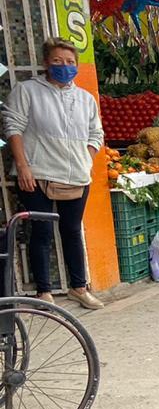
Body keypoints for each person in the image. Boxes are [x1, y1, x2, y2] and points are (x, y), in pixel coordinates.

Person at [1, 38, 105, 309]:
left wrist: (87, 158)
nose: (64, 66)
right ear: (46, 62)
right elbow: (13, 127)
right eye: (58, 61)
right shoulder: (28, 91)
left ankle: (78, 287)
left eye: (70, 62)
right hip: (38, 174)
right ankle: (44, 292)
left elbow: (96, 132)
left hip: (76, 175)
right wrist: (23, 166)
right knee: (42, 232)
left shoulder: (85, 98)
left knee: (72, 230)